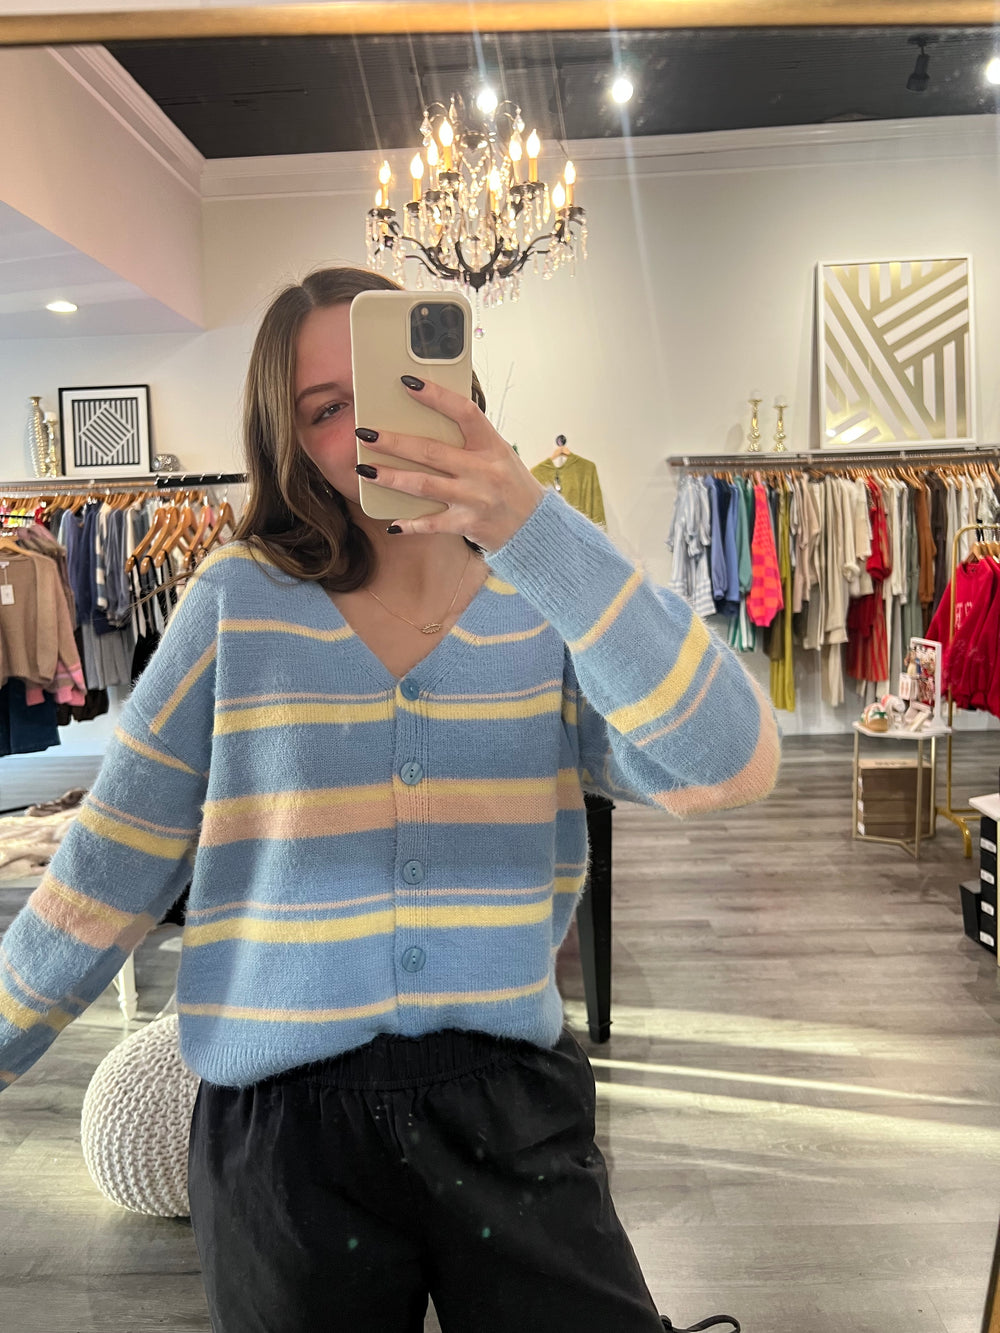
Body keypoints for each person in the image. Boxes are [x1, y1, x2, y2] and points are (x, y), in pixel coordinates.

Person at [0, 265, 778, 1333]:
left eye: (395, 388)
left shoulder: (549, 604)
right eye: (327, 409)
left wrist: (530, 525)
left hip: (510, 1108)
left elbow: (729, 761)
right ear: (290, 441)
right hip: (283, 1138)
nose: (370, 431)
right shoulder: (237, 601)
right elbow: (110, 862)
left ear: (459, 389)